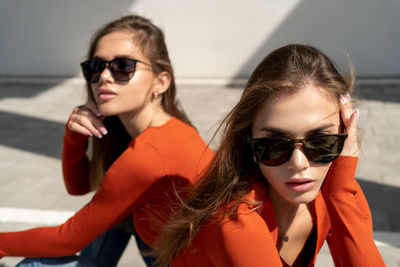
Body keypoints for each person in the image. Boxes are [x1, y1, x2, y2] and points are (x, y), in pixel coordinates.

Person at [0, 14, 214, 267]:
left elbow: (66, 240)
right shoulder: (166, 129)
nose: (104, 76)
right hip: (175, 251)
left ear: (161, 81)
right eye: (95, 67)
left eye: (123, 67)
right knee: (112, 216)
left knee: (34, 266)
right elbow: (79, 187)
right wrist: (74, 137)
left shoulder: (151, 153)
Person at [154, 44, 385, 267]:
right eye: (274, 145)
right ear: (248, 140)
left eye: (320, 142)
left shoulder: (335, 191)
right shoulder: (237, 221)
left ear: (344, 132)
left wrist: (340, 192)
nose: (298, 163)